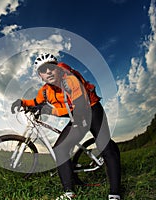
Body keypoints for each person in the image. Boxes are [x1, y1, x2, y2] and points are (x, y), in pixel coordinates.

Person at [11, 53, 121, 200]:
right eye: (43, 70)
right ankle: (69, 193)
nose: (48, 72)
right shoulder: (45, 91)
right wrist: (22, 102)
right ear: (40, 76)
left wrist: (50, 111)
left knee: (105, 146)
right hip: (76, 116)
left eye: (51, 68)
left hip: (92, 111)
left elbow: (80, 107)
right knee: (60, 149)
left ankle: (115, 194)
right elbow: (35, 101)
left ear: (58, 69)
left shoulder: (70, 80)